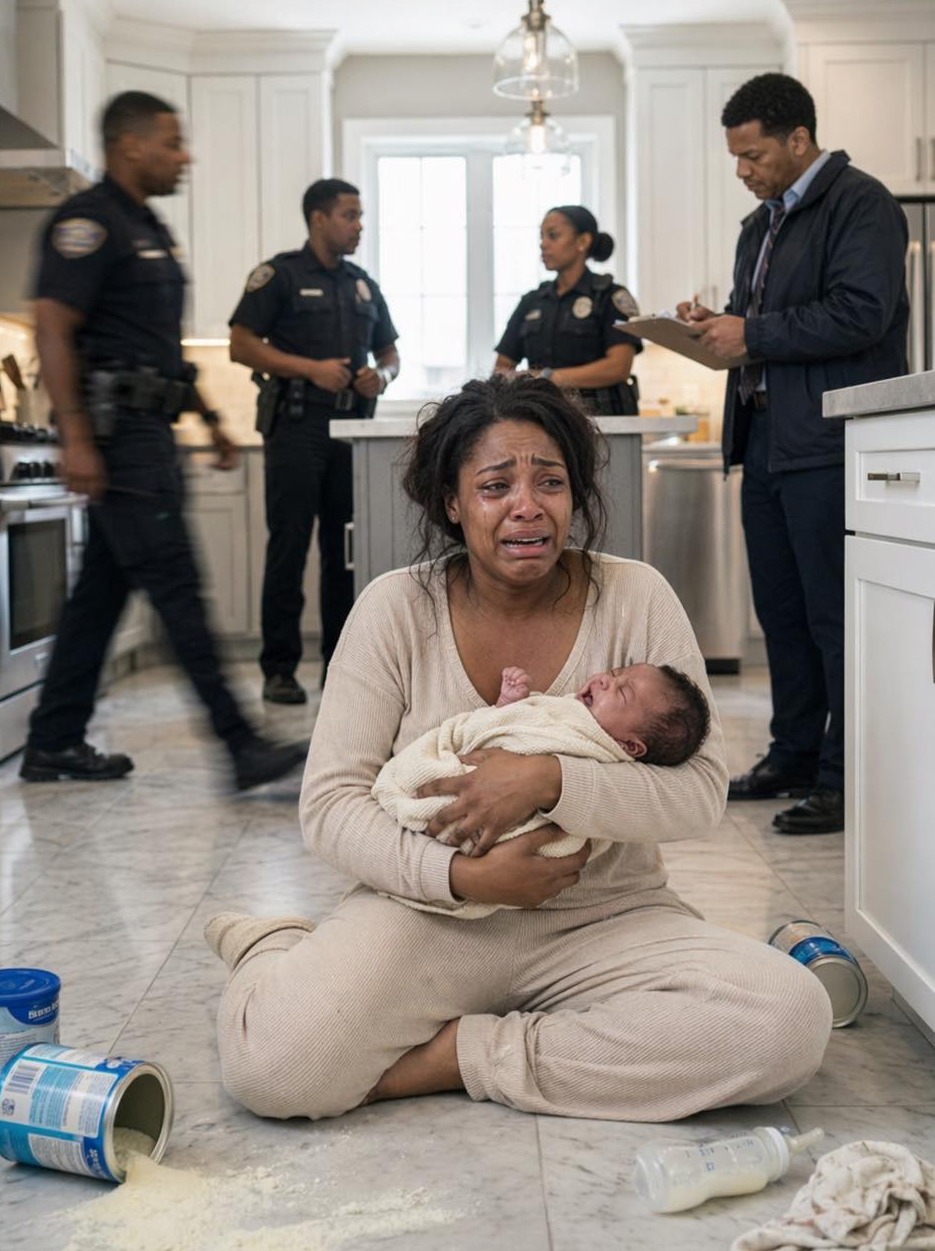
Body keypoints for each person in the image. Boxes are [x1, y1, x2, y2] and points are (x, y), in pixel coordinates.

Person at [205, 372, 832, 1124]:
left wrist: (547, 779)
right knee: (273, 1069)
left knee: (787, 1019)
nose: (527, 506)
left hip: (604, 919)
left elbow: (699, 793)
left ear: (575, 494)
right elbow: (331, 805)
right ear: (452, 501)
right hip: (428, 917)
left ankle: (458, 1056)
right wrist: (462, 876)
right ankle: (273, 946)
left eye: (550, 482)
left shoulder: (636, 597)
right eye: (495, 485)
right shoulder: (393, 609)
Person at [21, 90, 308, 792]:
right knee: (178, 586)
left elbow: (158, 347)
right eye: (172, 143)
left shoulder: (145, 226)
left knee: (98, 596)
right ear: (131, 145)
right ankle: (239, 744)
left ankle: (53, 740)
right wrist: (74, 435)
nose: (185, 157)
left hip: (149, 429)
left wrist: (206, 416)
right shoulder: (88, 222)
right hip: (119, 438)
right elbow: (52, 325)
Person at [677, 73, 908, 835]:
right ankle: (795, 754)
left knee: (833, 618)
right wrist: (716, 324)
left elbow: (862, 313)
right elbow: (764, 324)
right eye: (736, 158)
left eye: (752, 155)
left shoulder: (861, 203)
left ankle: (846, 777)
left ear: (799, 139)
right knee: (781, 615)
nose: (742, 171)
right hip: (766, 439)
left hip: (831, 442)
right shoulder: (760, 225)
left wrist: (751, 332)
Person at [228, 180, 400, 706]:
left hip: (352, 433)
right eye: (350, 215)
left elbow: (390, 355)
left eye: (360, 216)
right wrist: (310, 369)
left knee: (345, 553)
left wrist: (381, 377)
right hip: (297, 427)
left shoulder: (363, 285)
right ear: (318, 219)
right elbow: (241, 345)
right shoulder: (279, 275)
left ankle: (340, 669)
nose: (359, 225)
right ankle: (279, 670)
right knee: (289, 546)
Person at [371, 659, 711, 919]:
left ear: (631, 746)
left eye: (622, 692)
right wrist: (509, 706)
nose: (606, 680)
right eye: (615, 672)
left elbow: (531, 743)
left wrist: (547, 778)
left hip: (591, 909)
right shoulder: (566, 710)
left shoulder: (597, 749)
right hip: (444, 868)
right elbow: (516, 725)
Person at [494, 205, 642, 414]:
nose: (543, 244)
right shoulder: (532, 301)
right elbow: (502, 368)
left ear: (583, 241)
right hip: (542, 418)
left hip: (601, 420)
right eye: (541, 237)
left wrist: (548, 378)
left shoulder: (610, 297)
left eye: (553, 236)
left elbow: (618, 367)